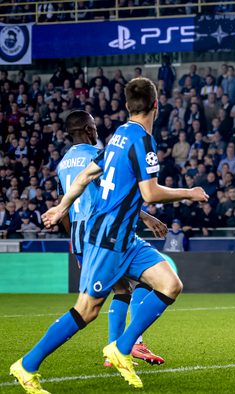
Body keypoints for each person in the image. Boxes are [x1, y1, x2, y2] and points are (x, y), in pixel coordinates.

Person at [12, 78, 208, 393]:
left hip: (125, 238)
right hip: (106, 239)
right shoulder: (142, 141)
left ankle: (121, 347)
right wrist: (190, 192)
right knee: (86, 310)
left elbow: (87, 174)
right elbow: (151, 193)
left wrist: (62, 206)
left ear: (128, 107)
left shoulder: (118, 135)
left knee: (170, 284)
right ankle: (27, 365)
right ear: (156, 106)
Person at [56, 110, 168, 368]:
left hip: (79, 234)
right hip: (103, 231)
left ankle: (115, 353)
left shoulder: (63, 163)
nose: (97, 130)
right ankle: (130, 344)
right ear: (87, 130)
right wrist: (147, 217)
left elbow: (65, 205)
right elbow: (111, 197)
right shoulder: (96, 156)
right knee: (145, 282)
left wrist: (75, 244)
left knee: (120, 289)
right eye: (94, 125)